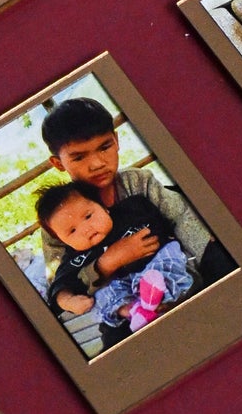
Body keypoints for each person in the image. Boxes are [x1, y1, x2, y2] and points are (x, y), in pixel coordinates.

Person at [37, 95, 232, 340]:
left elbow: (181, 217)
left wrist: (201, 259)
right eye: (79, 157)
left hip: (171, 272)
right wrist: (104, 264)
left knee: (221, 264)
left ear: (116, 140)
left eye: (104, 147)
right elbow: (61, 283)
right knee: (118, 341)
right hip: (124, 304)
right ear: (58, 163)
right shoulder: (58, 222)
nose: (97, 163)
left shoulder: (138, 182)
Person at [35, 179, 193, 336]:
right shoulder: (75, 258)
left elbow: (162, 223)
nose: (85, 229)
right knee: (101, 295)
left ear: (104, 208)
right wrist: (68, 301)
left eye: (88, 216)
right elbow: (60, 285)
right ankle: (133, 310)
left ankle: (154, 295)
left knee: (168, 253)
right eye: (72, 231)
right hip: (121, 287)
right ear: (63, 241)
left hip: (153, 265)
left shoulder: (131, 212)